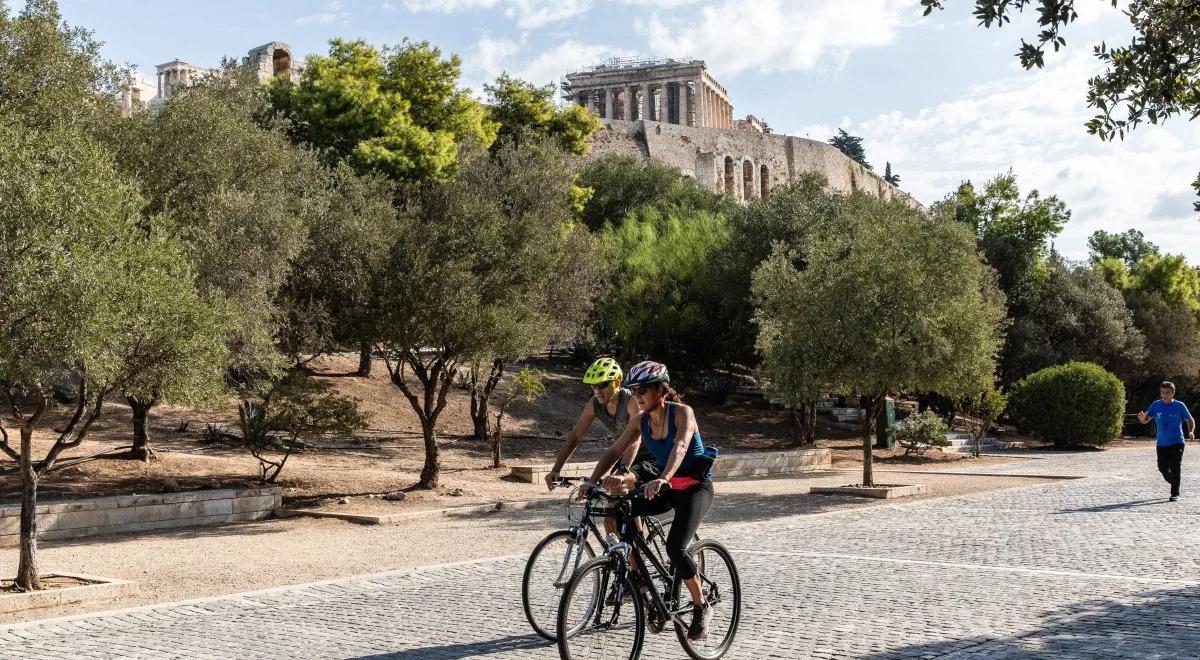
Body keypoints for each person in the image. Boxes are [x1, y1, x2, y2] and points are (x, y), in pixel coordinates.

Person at [585, 360, 717, 642]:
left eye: (643, 389)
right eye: (634, 390)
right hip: (666, 488)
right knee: (619, 512)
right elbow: (614, 450)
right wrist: (592, 481)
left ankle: (701, 605)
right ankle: (639, 578)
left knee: (675, 548)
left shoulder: (683, 413)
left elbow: (680, 447)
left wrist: (664, 477)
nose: (638, 395)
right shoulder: (640, 420)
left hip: (694, 489)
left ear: (661, 389)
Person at [544, 357, 647, 490]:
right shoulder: (594, 404)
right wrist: (556, 470)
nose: (597, 390)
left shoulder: (631, 400)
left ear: (616, 382)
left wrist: (622, 470)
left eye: (603, 385)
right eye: (593, 385)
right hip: (625, 454)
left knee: (619, 487)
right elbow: (575, 436)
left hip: (648, 455)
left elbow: (634, 439)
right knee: (612, 497)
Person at [1137, 381, 1195, 501]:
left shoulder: (1179, 406)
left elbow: (1190, 420)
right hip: (1162, 443)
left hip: (1177, 441)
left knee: (1175, 466)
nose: (1164, 395)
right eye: (1162, 393)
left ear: (1173, 393)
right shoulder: (1156, 405)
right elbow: (1146, 420)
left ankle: (1175, 493)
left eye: (1167, 393)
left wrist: (1191, 431)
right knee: (1162, 467)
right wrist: (1142, 419)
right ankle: (1174, 480)